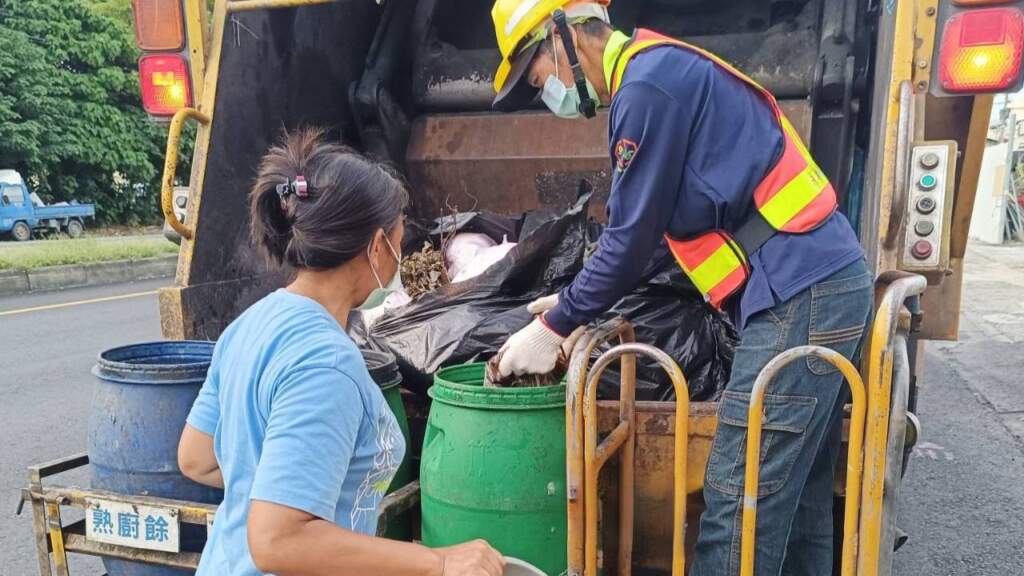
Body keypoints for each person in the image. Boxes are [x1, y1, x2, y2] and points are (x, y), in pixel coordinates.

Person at [489, 2, 873, 574]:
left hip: (802, 294)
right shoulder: (654, 74)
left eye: (540, 76)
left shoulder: (647, 89)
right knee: (796, 507)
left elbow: (629, 237)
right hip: (816, 287)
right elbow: (652, 237)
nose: (548, 92)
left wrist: (555, 325)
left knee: (736, 502)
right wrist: (576, 301)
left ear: (566, 33)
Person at [177, 129, 505, 576]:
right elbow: (278, 539)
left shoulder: (248, 326)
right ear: (375, 247)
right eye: (400, 237)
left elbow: (196, 457)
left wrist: (278, 487)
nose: (401, 252)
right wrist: (439, 561)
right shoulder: (326, 363)